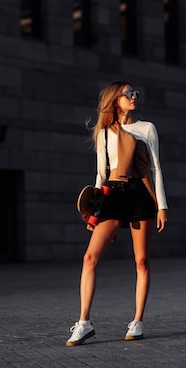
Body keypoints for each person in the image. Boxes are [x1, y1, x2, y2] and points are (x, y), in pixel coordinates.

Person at [66, 81, 168, 346]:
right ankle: (84, 322)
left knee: (142, 261)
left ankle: (137, 321)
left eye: (135, 93)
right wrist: (94, 210)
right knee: (90, 257)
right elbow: (100, 174)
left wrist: (162, 206)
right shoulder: (104, 132)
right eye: (128, 94)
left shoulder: (146, 128)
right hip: (112, 194)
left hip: (140, 195)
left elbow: (155, 169)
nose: (134, 97)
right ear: (115, 100)